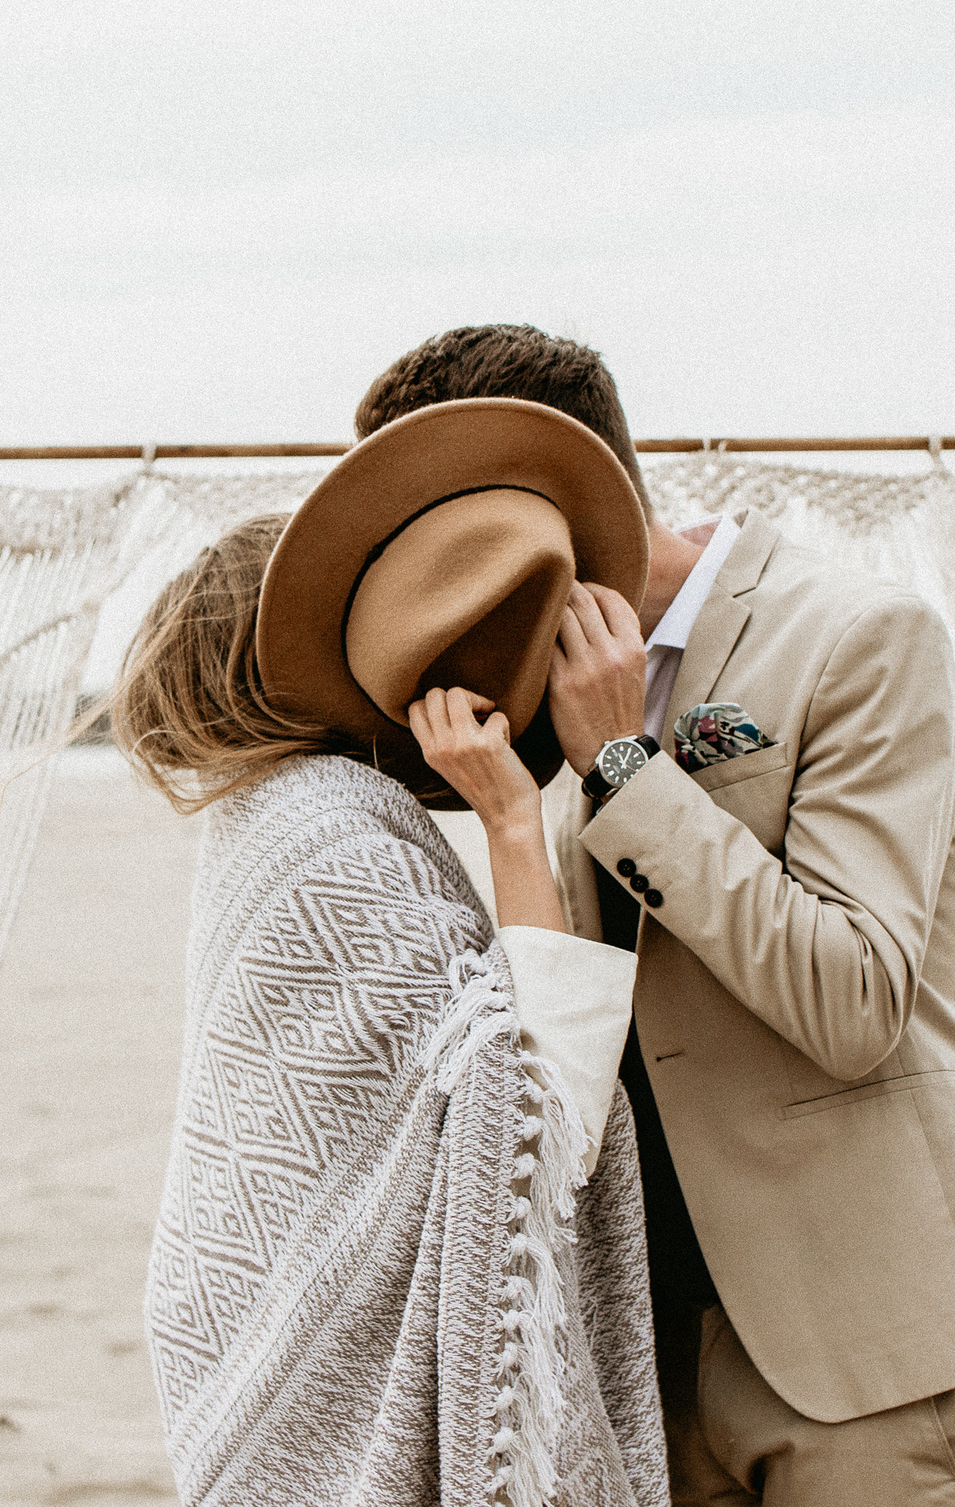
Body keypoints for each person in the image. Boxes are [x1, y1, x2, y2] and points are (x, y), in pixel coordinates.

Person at [354, 327, 955, 1507]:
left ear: (554, 495)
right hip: (648, 1342)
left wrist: (623, 766)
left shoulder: (858, 638)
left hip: (873, 1337)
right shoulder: (522, 689)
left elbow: (855, 1001)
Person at [127, 399, 673, 1507]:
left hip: (230, 1345)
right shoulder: (331, 825)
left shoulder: (259, 823)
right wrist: (515, 822)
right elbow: (529, 1103)